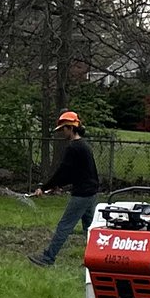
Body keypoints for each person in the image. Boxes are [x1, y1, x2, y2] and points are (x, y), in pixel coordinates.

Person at [27, 111, 102, 266]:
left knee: (64, 226)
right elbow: (74, 174)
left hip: (81, 195)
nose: (62, 133)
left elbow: (62, 172)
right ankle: (95, 260)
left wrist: (44, 187)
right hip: (91, 193)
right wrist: (57, 186)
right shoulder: (84, 146)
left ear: (71, 128)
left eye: (63, 129)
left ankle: (48, 258)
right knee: (89, 229)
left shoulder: (73, 148)